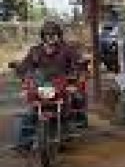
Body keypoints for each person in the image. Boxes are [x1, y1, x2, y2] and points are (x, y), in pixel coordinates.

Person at [13, 21, 85, 152]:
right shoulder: (35, 51)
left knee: (74, 103)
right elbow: (25, 66)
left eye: (54, 34)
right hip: (41, 86)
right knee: (31, 113)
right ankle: (23, 143)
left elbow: (78, 64)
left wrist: (77, 76)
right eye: (48, 34)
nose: (51, 37)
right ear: (43, 36)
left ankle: (69, 132)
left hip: (61, 85)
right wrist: (21, 72)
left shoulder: (67, 50)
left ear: (59, 35)